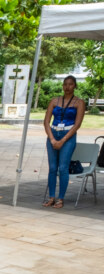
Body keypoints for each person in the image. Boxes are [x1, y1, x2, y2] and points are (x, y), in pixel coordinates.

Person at [42, 75, 85, 209]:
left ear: (75, 86)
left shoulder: (79, 102)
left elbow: (77, 124)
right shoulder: (55, 101)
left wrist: (63, 140)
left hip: (68, 135)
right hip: (53, 133)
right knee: (52, 168)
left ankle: (60, 198)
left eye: (70, 84)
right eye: (65, 84)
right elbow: (46, 121)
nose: (67, 87)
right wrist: (52, 138)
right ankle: (51, 197)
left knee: (63, 168)